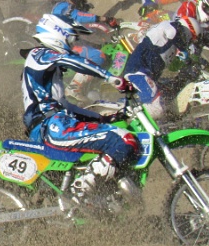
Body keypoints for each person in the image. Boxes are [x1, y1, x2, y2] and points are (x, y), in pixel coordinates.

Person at [21, 14, 137, 200]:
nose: (73, 44)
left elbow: (65, 105)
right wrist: (111, 78)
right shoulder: (39, 54)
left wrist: (103, 118)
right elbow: (74, 61)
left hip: (53, 125)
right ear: (58, 34)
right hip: (54, 127)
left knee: (113, 133)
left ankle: (94, 200)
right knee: (122, 138)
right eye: (71, 38)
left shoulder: (48, 69)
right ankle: (82, 191)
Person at [123, 8, 209, 119]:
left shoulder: (171, 47)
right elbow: (171, 30)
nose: (188, 41)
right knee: (156, 104)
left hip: (150, 76)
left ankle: (171, 123)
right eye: (189, 36)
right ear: (185, 28)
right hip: (136, 72)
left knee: (170, 95)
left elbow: (175, 66)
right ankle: (149, 126)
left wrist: (197, 65)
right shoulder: (169, 28)